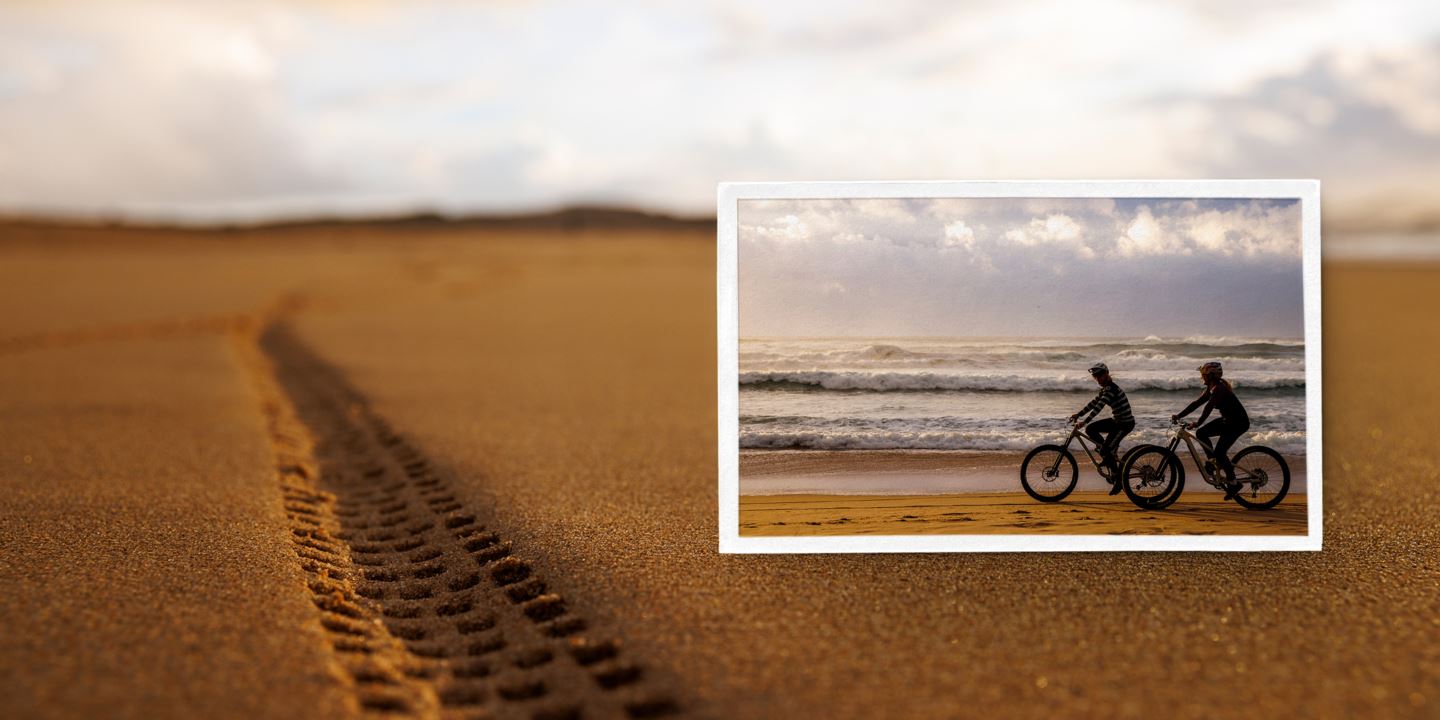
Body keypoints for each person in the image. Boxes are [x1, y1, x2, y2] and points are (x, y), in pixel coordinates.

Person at [1172, 361, 1250, 501]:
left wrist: (1198, 422)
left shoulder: (1219, 389)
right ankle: (1213, 462)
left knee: (1220, 452)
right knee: (1201, 433)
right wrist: (1179, 415)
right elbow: (1197, 403)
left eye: (1204, 375)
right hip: (1227, 420)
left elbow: (1208, 407)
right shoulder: (1211, 387)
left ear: (1212, 375)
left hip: (1238, 423)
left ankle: (1234, 483)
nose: (1202, 377)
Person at [1068, 362, 1134, 495]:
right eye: (1095, 376)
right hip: (1116, 421)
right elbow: (1094, 403)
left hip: (1124, 424)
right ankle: (1107, 453)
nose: (1097, 378)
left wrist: (1084, 421)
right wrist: (1079, 414)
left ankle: (1118, 480)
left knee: (1105, 449)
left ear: (1107, 374)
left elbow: (1099, 407)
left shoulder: (1111, 389)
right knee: (1091, 429)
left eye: (1100, 375)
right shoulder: (1104, 389)